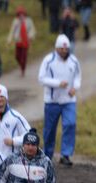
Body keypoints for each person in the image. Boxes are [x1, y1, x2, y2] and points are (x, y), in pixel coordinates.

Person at [38, 35, 81, 166]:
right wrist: (57, 83)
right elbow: (41, 79)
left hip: (69, 100)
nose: (64, 51)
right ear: (56, 48)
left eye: (66, 49)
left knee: (70, 124)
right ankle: (47, 155)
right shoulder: (48, 61)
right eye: (61, 49)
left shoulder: (73, 61)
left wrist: (75, 87)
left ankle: (66, 154)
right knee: (50, 129)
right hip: (52, 100)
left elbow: (78, 76)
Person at [8, 6, 36, 77]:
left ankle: (23, 69)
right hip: (18, 41)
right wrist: (9, 39)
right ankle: (21, 65)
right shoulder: (16, 21)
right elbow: (12, 31)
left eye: (22, 14)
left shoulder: (28, 20)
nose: (21, 16)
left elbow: (32, 30)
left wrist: (30, 36)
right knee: (17, 56)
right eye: (19, 14)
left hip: (26, 42)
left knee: (24, 57)